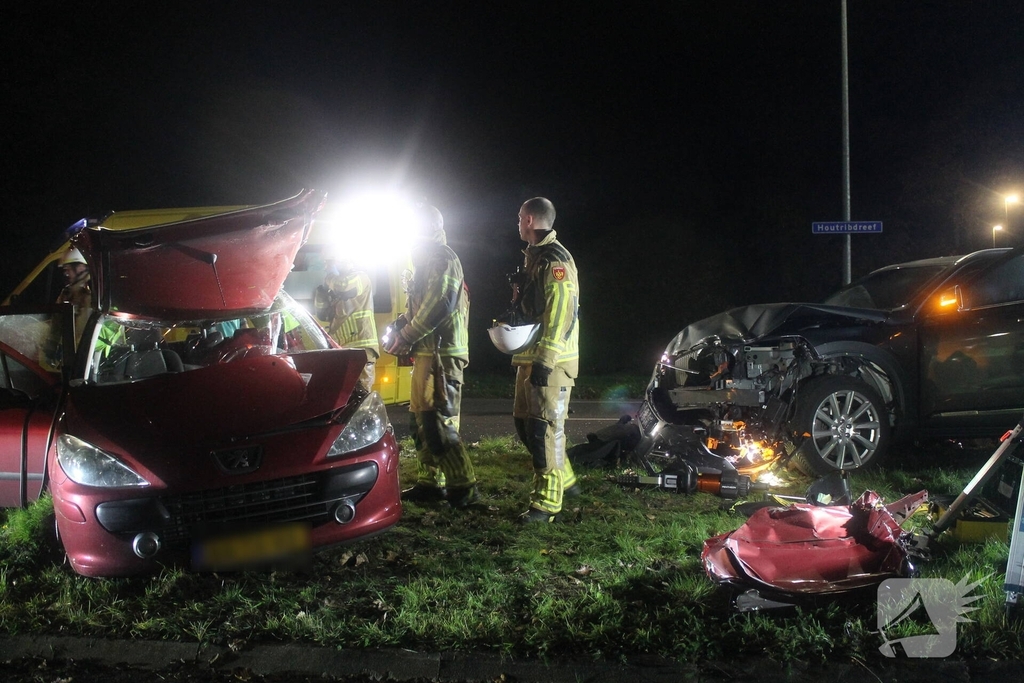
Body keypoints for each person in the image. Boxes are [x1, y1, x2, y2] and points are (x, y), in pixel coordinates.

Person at [381, 204, 478, 508]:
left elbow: (439, 306)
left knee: (438, 424)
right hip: (426, 353)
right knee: (419, 424)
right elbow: (419, 306)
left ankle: (464, 488)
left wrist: (406, 335)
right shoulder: (424, 260)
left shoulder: (442, 258)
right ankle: (429, 484)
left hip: (442, 355)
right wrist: (399, 324)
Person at [510, 197, 581, 523]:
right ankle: (566, 481)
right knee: (526, 427)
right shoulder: (534, 258)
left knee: (544, 431)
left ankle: (546, 505)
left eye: (519, 218)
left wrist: (546, 358)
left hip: (550, 360)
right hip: (530, 357)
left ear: (528, 219)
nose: (517, 222)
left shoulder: (555, 259)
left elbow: (561, 311)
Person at [317, 258, 379, 392]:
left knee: (359, 397)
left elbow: (344, 287)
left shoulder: (360, 277)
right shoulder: (334, 286)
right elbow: (323, 314)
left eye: (329, 263)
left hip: (361, 347)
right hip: (342, 348)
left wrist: (330, 278)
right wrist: (322, 292)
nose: (326, 268)